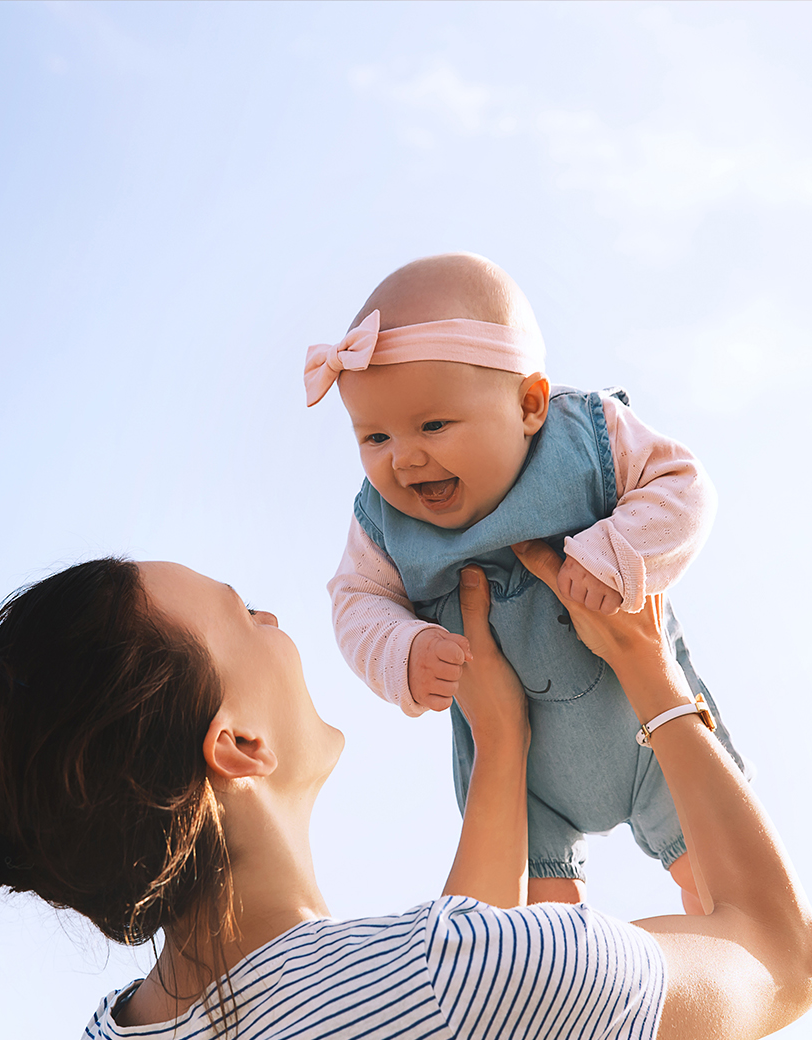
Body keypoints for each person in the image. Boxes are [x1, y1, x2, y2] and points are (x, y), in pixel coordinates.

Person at [0, 542, 812, 1040]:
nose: (274, 619)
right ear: (238, 745)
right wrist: (649, 670)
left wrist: (501, 742)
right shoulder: (466, 991)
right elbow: (785, 959)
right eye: (244, 616)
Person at [314, 252, 738, 912]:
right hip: (525, 776)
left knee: (724, 888)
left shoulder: (586, 438)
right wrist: (402, 650)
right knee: (537, 937)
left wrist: (618, 552)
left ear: (530, 405)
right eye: (374, 436)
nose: (405, 458)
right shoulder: (382, 525)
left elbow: (684, 488)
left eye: (433, 425)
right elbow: (356, 601)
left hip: (649, 726)